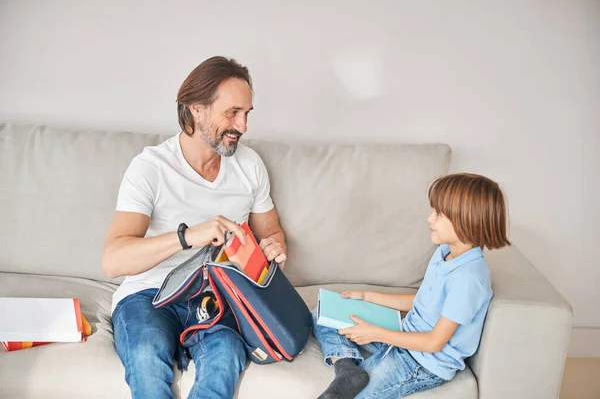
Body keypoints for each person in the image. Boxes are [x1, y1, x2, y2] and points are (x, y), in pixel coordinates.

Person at [101, 56, 287, 399]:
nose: (243, 126)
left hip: (216, 296)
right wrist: (187, 237)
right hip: (149, 295)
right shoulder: (150, 168)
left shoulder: (250, 166)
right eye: (232, 112)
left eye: (247, 113)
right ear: (195, 108)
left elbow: (272, 232)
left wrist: (274, 247)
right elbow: (113, 260)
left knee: (225, 359)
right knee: (146, 359)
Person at [313, 173, 511, 399]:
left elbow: (435, 342)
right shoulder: (445, 253)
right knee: (321, 312)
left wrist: (375, 333)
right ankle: (346, 368)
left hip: (422, 362)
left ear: (466, 219)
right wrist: (368, 296)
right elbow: (423, 300)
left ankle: (351, 375)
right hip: (404, 334)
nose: (430, 219)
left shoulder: (469, 279)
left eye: (438, 214)